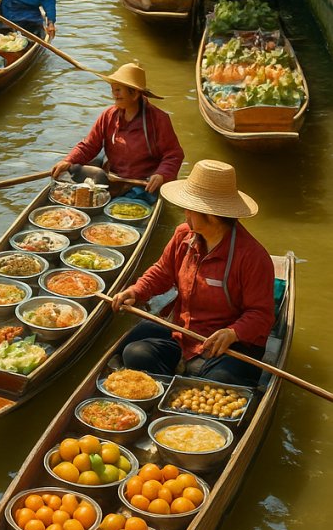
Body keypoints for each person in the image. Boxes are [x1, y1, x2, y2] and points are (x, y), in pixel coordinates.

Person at [111, 160, 275, 387]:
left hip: (228, 346)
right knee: (135, 353)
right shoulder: (183, 235)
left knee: (219, 381)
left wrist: (232, 333)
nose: (185, 212)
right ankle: (177, 381)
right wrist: (136, 291)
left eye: (191, 208)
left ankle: (186, 379)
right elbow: (162, 272)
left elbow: (261, 315)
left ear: (212, 215)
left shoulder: (252, 257)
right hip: (185, 334)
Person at [51, 63, 184, 200]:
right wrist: (69, 160)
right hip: (114, 179)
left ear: (135, 94)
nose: (114, 94)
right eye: (113, 89)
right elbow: (89, 145)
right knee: (76, 174)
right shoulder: (108, 115)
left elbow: (173, 155)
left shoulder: (158, 119)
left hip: (144, 183)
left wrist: (161, 175)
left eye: (119, 90)